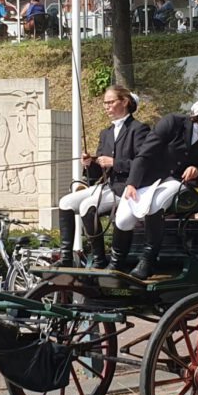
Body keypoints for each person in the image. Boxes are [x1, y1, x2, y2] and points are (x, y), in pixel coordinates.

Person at [117, 94, 198, 279]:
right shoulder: (172, 122)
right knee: (123, 221)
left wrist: (195, 169)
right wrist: (131, 183)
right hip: (151, 178)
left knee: (155, 205)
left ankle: (147, 261)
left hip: (179, 181)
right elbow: (145, 154)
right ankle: (116, 263)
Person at [57, 86, 149, 268]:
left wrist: (115, 163)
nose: (106, 107)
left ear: (124, 102)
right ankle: (66, 256)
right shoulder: (105, 133)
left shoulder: (139, 130)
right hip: (107, 185)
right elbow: (99, 173)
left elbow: (143, 163)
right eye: (105, 103)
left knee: (87, 206)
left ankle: (100, 260)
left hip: (126, 187)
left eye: (111, 102)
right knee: (65, 203)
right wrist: (90, 163)